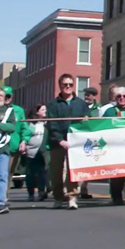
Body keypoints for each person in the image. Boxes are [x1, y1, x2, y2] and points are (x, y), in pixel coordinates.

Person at [47, 73, 92, 210]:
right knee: (56, 172)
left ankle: (72, 197)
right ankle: (58, 198)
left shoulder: (80, 103)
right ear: (60, 86)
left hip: (75, 143)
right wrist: (60, 140)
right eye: (65, 84)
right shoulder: (53, 104)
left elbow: (88, 122)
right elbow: (51, 125)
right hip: (57, 143)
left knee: (73, 171)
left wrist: (86, 120)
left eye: (70, 85)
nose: (67, 87)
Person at [101, 85, 125, 204]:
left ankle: (118, 194)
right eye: (119, 96)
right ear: (115, 98)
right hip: (113, 147)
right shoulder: (109, 111)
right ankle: (116, 197)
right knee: (115, 173)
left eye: (124, 96)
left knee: (124, 173)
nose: (121, 98)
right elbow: (102, 127)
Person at [2, 86, 27, 202]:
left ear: (11, 97)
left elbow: (24, 127)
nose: (6, 98)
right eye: (4, 96)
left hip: (13, 146)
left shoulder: (19, 110)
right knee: (0, 172)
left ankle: (3, 195)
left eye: (8, 96)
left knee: (8, 172)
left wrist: (24, 141)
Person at [22, 104, 49, 202]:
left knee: (42, 172)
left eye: (45, 109)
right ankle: (31, 194)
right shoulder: (31, 123)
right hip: (31, 151)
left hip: (43, 152)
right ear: (37, 112)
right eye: (42, 110)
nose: (45, 111)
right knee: (30, 173)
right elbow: (26, 134)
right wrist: (24, 143)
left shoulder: (47, 123)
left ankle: (41, 192)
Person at [80, 86, 101, 200]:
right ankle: (73, 190)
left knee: (88, 165)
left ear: (94, 96)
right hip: (81, 137)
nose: (86, 97)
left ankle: (84, 189)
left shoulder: (99, 108)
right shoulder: (80, 106)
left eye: (89, 95)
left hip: (93, 138)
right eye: (85, 94)